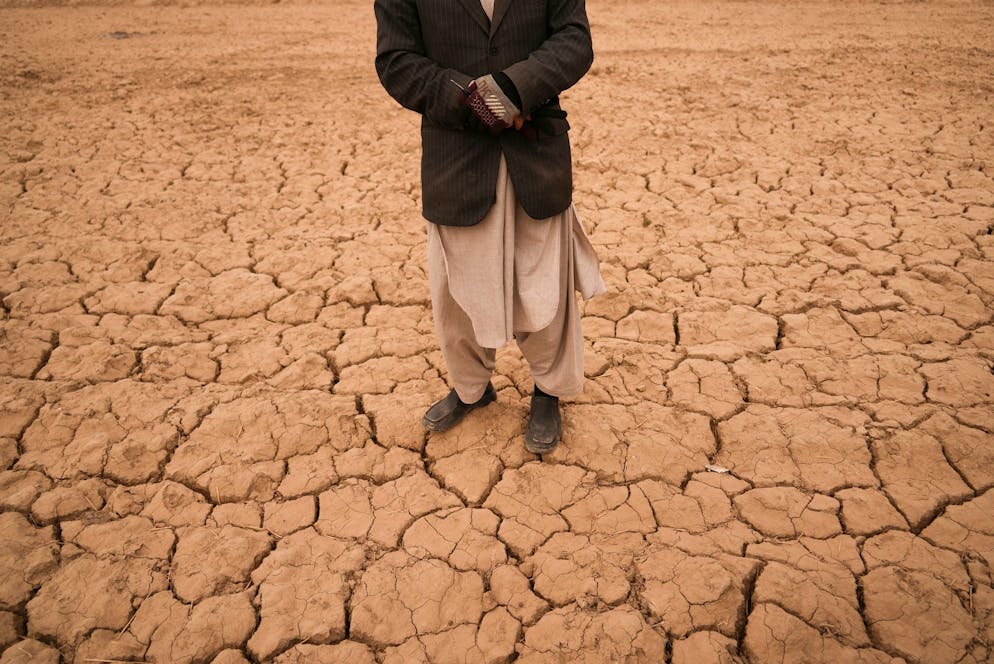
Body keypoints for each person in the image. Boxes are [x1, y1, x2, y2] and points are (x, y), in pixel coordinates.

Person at [373, 0, 605, 454]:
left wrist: (509, 91)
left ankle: (548, 391)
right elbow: (396, 61)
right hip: (456, 157)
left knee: (544, 281)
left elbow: (574, 41)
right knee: (458, 288)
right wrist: (470, 100)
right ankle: (471, 389)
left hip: (535, 151)